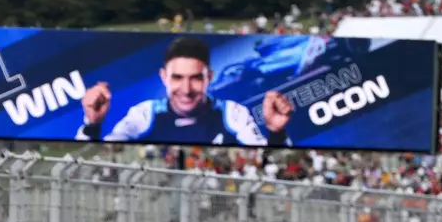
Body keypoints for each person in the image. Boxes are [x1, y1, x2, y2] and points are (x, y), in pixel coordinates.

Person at [76, 36, 294, 147]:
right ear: (164, 78)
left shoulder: (233, 114)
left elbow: (263, 154)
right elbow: (92, 157)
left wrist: (277, 133)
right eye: (178, 78)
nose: (186, 90)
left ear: (209, 78)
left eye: (196, 78)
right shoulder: (144, 114)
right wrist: (92, 124)